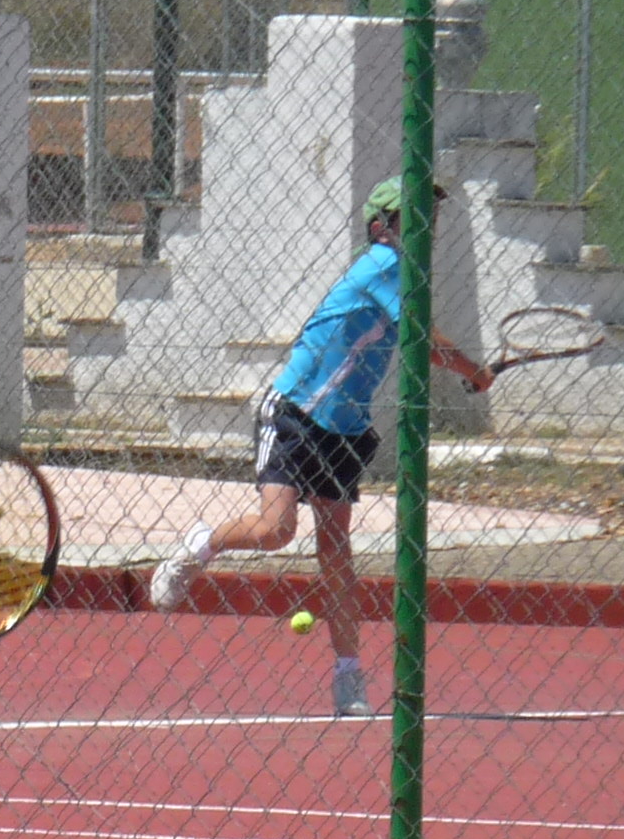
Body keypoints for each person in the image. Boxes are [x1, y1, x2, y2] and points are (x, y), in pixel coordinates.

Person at [148, 174, 493, 714]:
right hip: (294, 413)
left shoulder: (409, 274)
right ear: (381, 228)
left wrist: (470, 368)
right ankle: (200, 544)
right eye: (413, 214)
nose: (427, 222)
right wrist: (475, 371)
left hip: (347, 429)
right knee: (277, 530)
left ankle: (349, 678)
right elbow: (422, 338)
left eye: (432, 213)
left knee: (336, 551)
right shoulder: (383, 265)